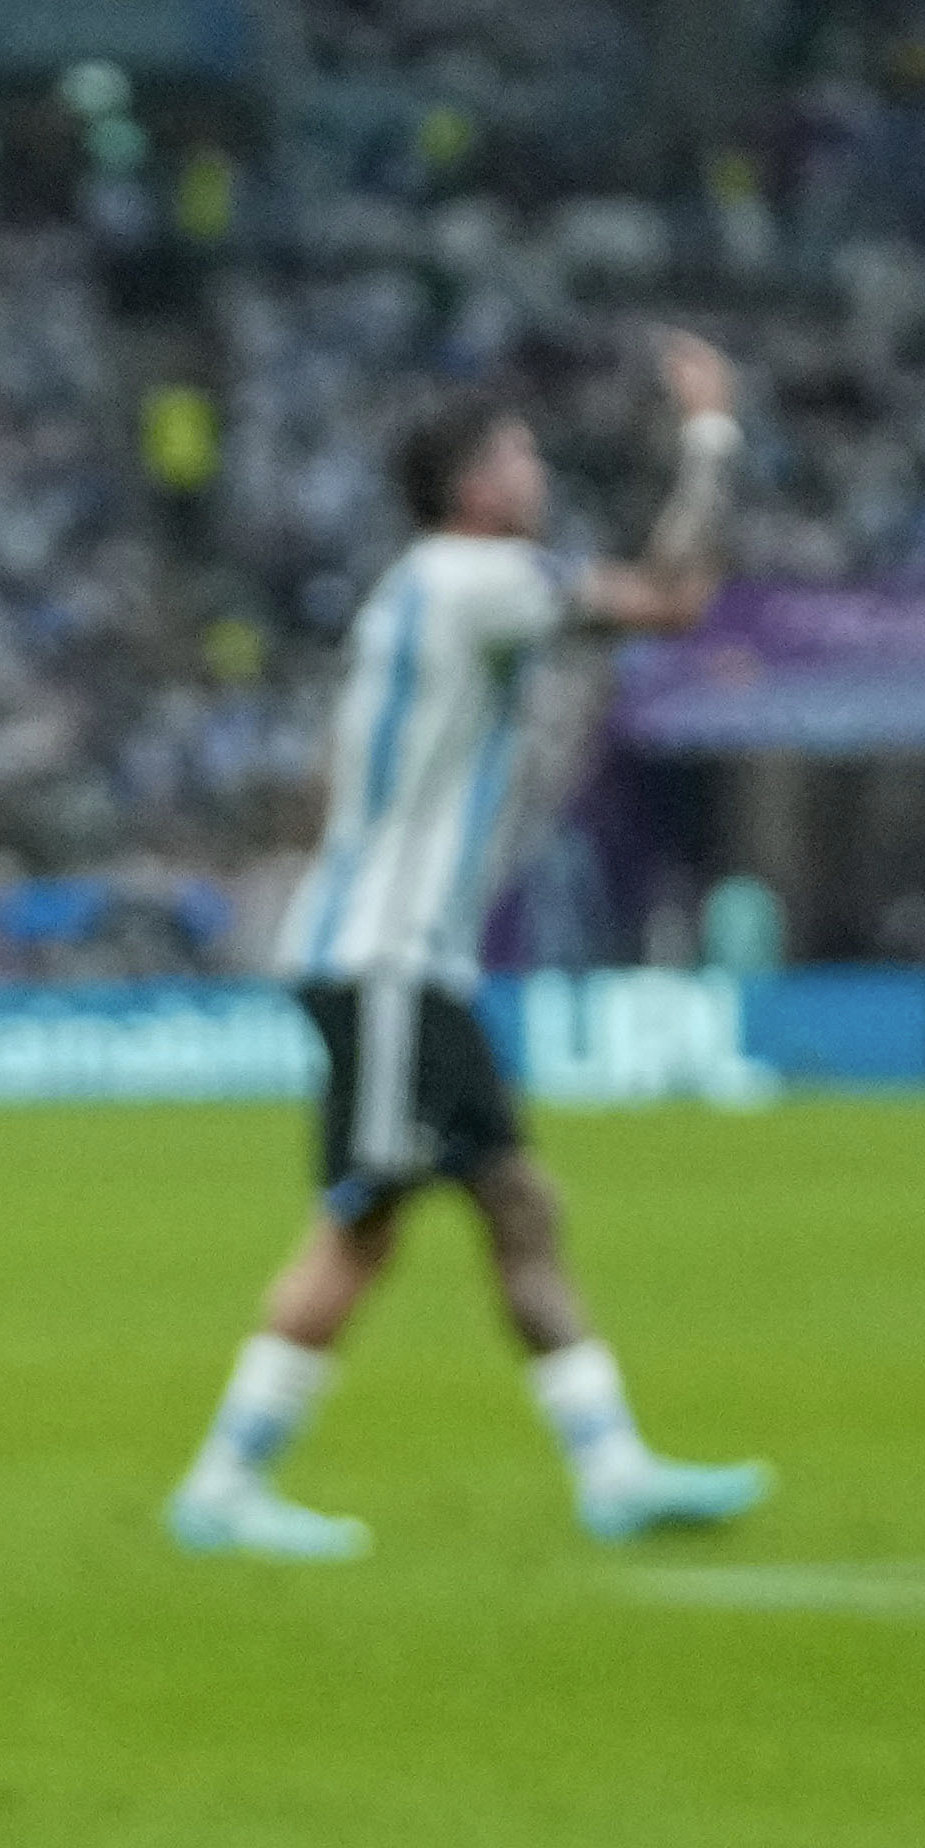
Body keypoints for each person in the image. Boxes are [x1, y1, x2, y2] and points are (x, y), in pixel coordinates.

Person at [167, 340, 775, 1559]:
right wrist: (710, 437)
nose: (536, 470)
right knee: (369, 1223)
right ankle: (225, 1484)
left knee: (515, 1202)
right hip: (385, 959)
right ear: (471, 489)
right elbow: (674, 598)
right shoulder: (468, 579)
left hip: (404, 958)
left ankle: (613, 1471)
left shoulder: (434, 587)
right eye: (517, 455)